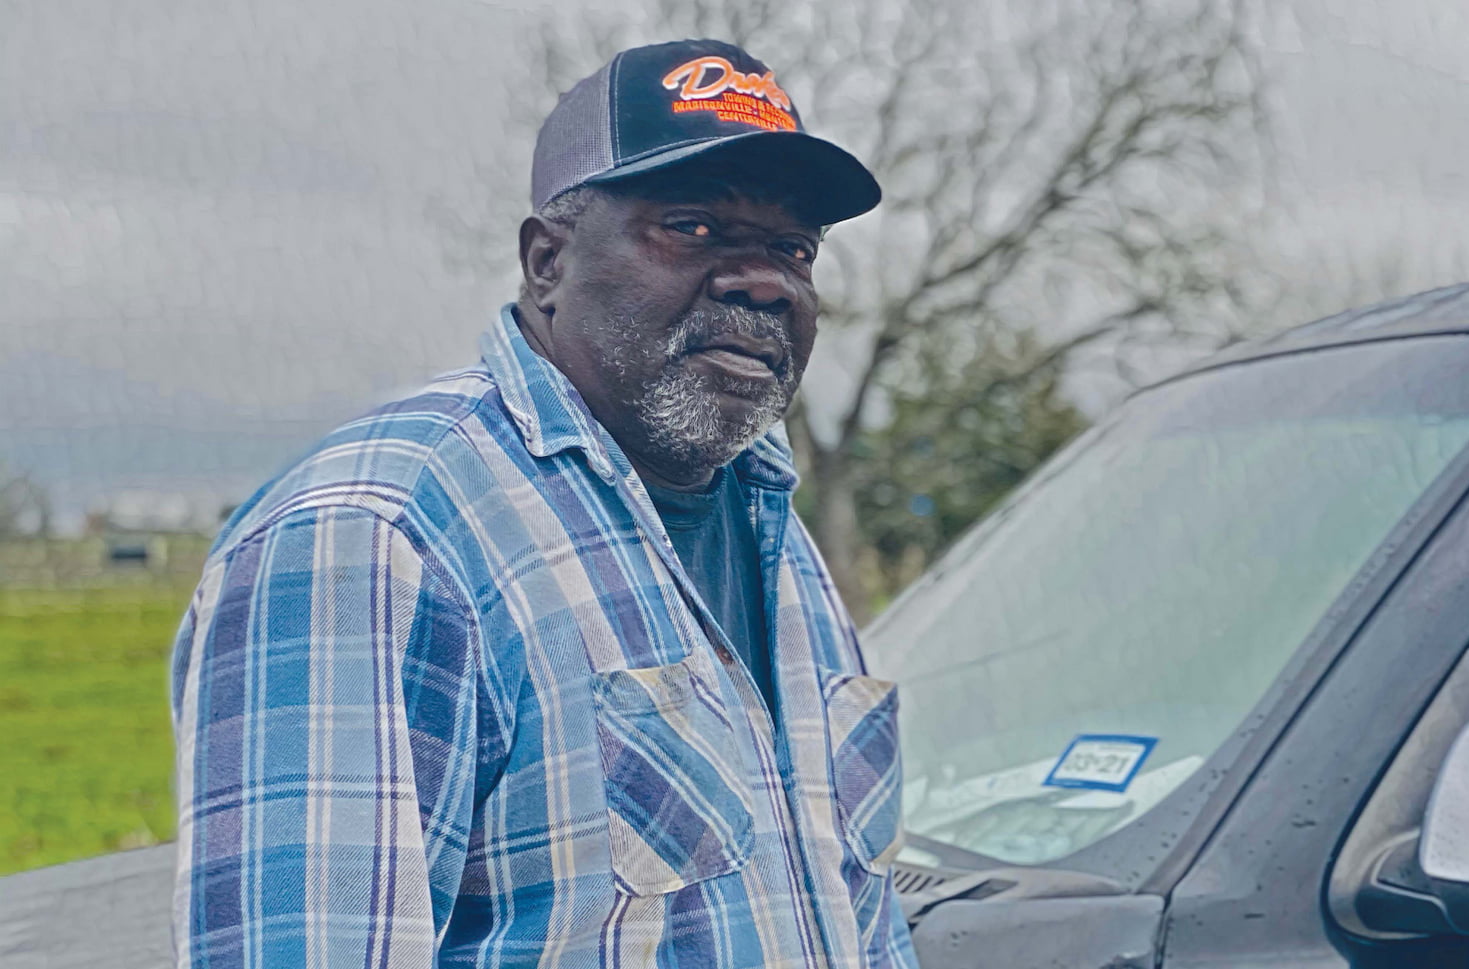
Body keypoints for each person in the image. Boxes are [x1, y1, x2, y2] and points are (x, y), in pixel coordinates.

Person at [170, 38, 915, 968]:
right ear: (547, 261)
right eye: (691, 227)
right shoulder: (372, 535)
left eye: (792, 249)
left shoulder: (769, 522)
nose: (763, 281)